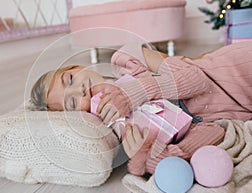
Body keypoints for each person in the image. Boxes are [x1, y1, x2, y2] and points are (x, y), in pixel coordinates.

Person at [29, 42, 252, 175]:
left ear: (79, 67)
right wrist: (152, 158)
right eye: (72, 102)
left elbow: (197, 79)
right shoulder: (125, 126)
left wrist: (131, 94)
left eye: (69, 79)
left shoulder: (129, 60)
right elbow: (214, 131)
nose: (80, 91)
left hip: (236, 69)